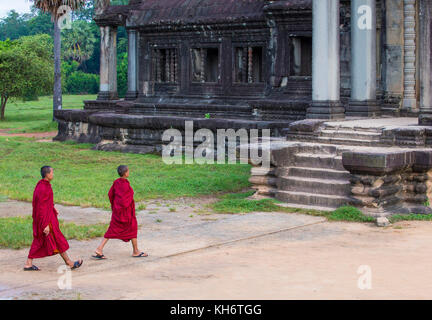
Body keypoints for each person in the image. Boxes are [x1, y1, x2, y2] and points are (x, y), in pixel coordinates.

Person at [24, 166, 83, 271]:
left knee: (50, 240)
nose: (53, 174)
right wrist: (45, 224)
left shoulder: (43, 185)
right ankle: (69, 263)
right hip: (46, 220)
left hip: (48, 217)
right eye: (52, 172)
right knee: (49, 239)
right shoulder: (42, 188)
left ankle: (29, 263)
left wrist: (53, 208)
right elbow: (41, 207)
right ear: (47, 174)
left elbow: (46, 203)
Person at [93, 165, 148, 259]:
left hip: (117, 212)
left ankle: (99, 248)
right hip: (126, 213)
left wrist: (115, 206)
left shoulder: (116, 182)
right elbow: (126, 200)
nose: (129, 172)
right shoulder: (125, 184)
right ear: (126, 173)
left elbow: (110, 194)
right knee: (133, 228)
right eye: (128, 171)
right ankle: (136, 251)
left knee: (112, 230)